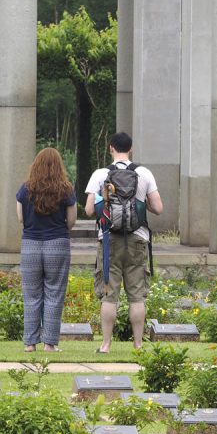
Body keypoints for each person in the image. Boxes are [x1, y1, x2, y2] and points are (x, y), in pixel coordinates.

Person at [85, 132, 163, 353]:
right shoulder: (144, 173)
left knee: (109, 295)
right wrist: (142, 202)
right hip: (138, 239)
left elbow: (90, 210)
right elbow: (158, 208)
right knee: (136, 296)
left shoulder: (101, 174)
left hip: (109, 241)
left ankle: (106, 344)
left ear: (111, 148)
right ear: (131, 149)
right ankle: (138, 345)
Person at [16, 147, 77, 352]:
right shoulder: (66, 189)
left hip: (31, 244)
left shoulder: (25, 189)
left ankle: (29, 343)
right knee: (54, 293)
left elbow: (20, 219)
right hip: (57, 243)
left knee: (31, 294)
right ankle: (49, 344)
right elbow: (72, 221)